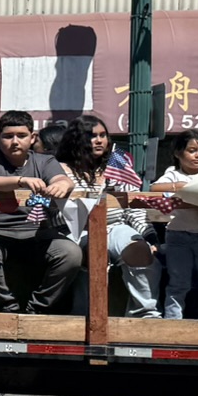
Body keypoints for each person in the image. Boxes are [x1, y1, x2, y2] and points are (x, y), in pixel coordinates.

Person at [0, 110, 81, 314]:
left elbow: (62, 179)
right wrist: (20, 181)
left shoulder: (45, 161)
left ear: (32, 137)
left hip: (38, 233)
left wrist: (62, 185)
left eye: (21, 135)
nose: (15, 142)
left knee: (71, 254)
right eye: (8, 136)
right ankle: (6, 307)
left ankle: (37, 309)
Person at [54, 114, 158, 319]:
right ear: (76, 139)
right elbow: (51, 213)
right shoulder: (59, 170)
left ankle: (145, 314)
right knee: (94, 250)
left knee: (139, 249)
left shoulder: (116, 164)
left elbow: (132, 207)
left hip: (115, 225)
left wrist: (150, 236)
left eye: (103, 135)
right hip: (75, 229)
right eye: (92, 136)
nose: (99, 140)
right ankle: (86, 315)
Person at [151, 130, 198, 320]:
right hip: (178, 236)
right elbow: (154, 188)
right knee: (178, 284)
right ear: (178, 153)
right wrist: (179, 187)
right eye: (192, 150)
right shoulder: (172, 174)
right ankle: (173, 324)